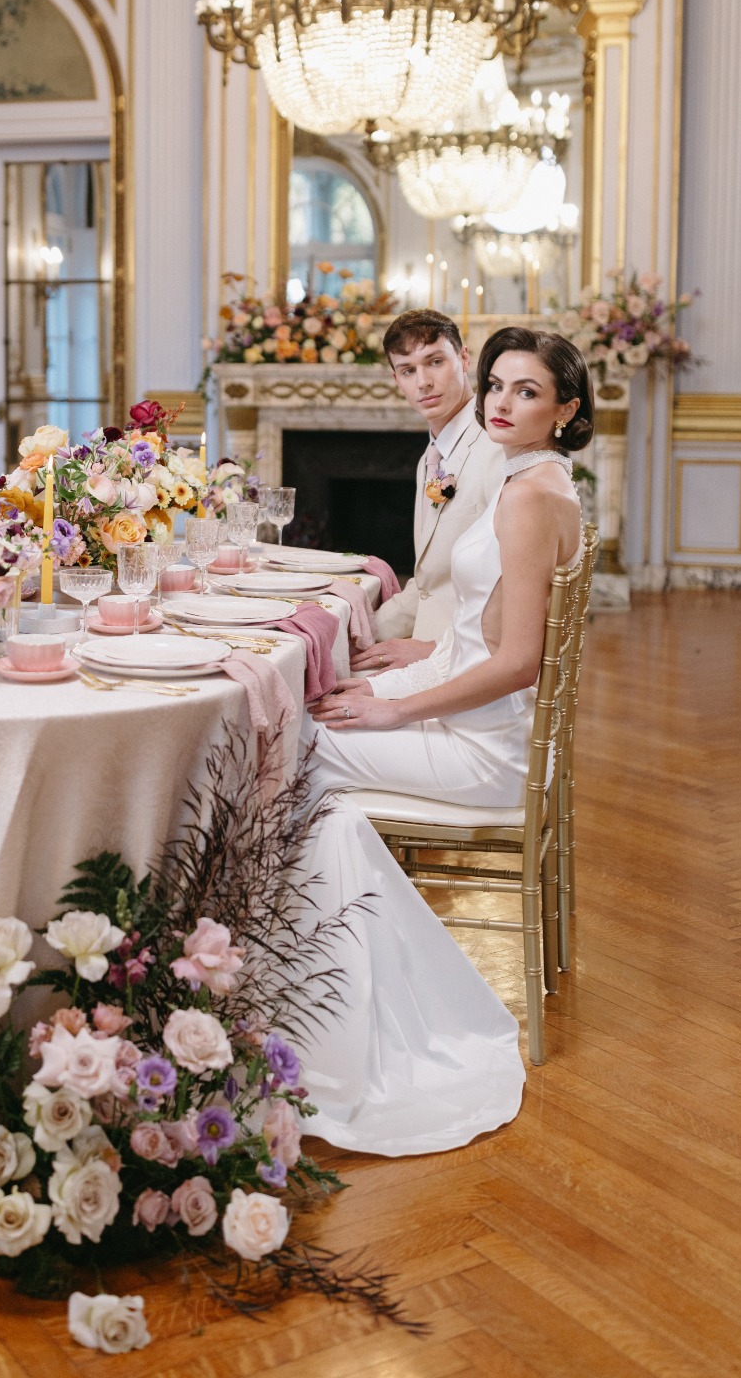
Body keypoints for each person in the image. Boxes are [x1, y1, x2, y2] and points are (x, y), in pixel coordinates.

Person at [291, 328, 593, 1155]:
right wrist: (412, 667)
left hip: (484, 749)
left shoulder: (527, 498)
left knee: (288, 744)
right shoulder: (537, 480)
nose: (500, 402)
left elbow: (520, 662)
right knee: (320, 710)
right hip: (481, 723)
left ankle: (332, 996)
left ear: (565, 410)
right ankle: (339, 975)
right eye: (496, 385)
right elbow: (490, 627)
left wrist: (398, 711)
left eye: (526, 392)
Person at [361, 309, 505, 676]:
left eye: (435, 362)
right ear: (397, 380)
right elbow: (428, 587)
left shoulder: (497, 449)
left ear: (464, 358)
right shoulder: (432, 457)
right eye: (408, 370)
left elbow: (514, 591)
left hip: (469, 664)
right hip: (429, 645)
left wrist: (431, 650)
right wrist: (350, 637)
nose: (423, 382)